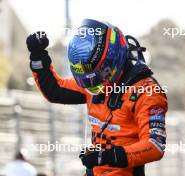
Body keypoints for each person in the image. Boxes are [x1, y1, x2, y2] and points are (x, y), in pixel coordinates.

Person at [26, 19, 167, 176]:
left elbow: (155, 145)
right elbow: (55, 90)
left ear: (112, 60)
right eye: (86, 78)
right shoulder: (92, 84)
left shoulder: (147, 91)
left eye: (95, 75)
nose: (91, 84)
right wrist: (38, 56)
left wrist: (107, 156)